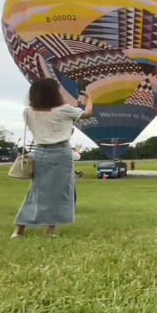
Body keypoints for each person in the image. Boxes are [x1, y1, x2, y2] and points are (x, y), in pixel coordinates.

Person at [12, 78, 92, 239]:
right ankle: (48, 232)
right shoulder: (64, 110)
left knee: (35, 191)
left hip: (39, 152)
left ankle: (18, 230)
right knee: (59, 193)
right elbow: (88, 113)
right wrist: (89, 99)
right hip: (60, 152)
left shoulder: (28, 111)